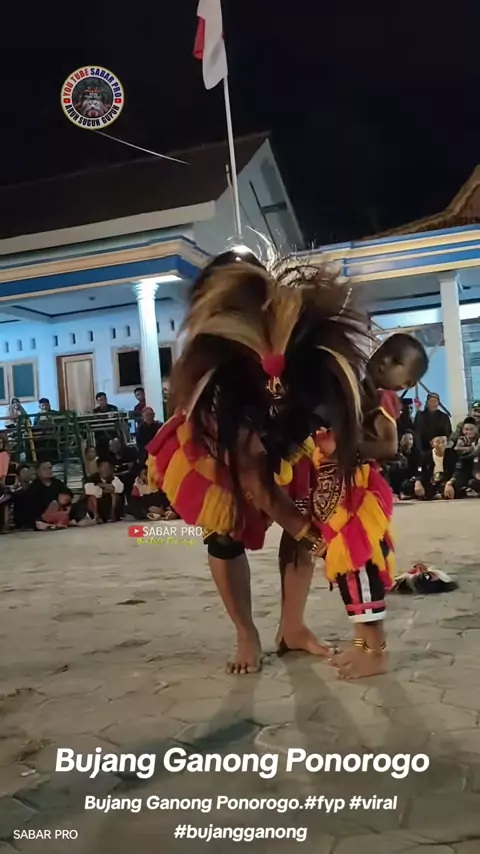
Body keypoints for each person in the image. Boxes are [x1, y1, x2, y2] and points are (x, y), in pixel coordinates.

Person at [149, 250, 397, 676]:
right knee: (226, 533)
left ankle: (292, 627)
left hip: (293, 439)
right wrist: (315, 539)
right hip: (227, 449)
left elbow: (369, 455)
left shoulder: (319, 368)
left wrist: (332, 527)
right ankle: (246, 632)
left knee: (315, 511)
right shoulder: (221, 390)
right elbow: (255, 480)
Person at [23, 461, 78, 529]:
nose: (48, 471)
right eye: (44, 469)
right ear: (37, 471)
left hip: (61, 510)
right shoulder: (33, 488)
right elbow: (31, 508)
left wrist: (65, 499)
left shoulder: (57, 483)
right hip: (43, 515)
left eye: (50, 468)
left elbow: (68, 494)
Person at [84, 458, 125, 522]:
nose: (107, 470)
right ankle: (96, 517)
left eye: (108, 468)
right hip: (98, 504)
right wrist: (103, 491)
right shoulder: (92, 478)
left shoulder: (114, 478)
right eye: (104, 468)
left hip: (109, 504)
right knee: (91, 497)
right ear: (99, 469)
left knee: (115, 495)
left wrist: (103, 485)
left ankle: (112, 515)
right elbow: (88, 490)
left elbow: (119, 489)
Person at [387, 431, 421, 498]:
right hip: (398, 476)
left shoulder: (417, 453)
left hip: (411, 477)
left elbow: (419, 467)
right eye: (407, 439)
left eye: (411, 439)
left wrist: (415, 477)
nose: (409, 442)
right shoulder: (396, 452)